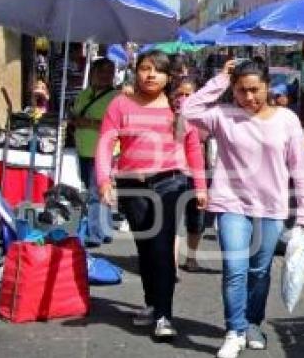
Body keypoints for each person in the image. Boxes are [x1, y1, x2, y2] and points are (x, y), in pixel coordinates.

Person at [181, 59, 304, 358]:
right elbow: (188, 110)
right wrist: (220, 79)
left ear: (268, 86)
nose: (249, 97)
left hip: (271, 208)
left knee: (260, 271)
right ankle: (234, 330)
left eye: (255, 90)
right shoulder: (223, 116)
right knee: (235, 269)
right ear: (233, 90)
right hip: (231, 203)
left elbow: (300, 168)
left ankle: (253, 323)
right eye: (241, 91)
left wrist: (303, 216)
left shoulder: (287, 120)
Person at [96, 50, 207, 339]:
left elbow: (193, 146)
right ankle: (151, 304)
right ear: (136, 71)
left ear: (168, 76)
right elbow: (106, 142)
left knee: (161, 247)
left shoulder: (179, 107)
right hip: (131, 184)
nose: (150, 75)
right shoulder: (120, 104)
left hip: (170, 183)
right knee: (145, 247)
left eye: (157, 70)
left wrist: (200, 185)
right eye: (145, 68)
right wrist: (103, 180)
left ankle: (164, 315)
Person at [71, 58, 118, 247]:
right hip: (83, 149)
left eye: (109, 72)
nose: (105, 76)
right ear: (93, 73)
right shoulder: (84, 94)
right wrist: (74, 121)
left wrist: (89, 123)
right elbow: (74, 115)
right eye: (102, 72)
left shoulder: (116, 97)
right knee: (98, 191)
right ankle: (105, 230)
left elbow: (117, 125)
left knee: (95, 192)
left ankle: (95, 234)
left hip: (104, 151)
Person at [168, 77, 213, 273]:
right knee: (173, 220)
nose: (183, 98)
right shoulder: (166, 115)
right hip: (172, 174)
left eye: (188, 94)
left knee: (196, 219)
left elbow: (205, 138)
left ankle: (191, 257)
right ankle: (172, 264)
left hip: (197, 173)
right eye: (180, 94)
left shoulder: (204, 115)